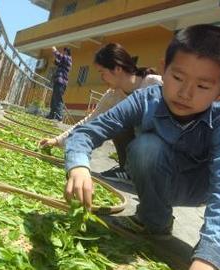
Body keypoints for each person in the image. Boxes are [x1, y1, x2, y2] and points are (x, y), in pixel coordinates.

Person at [63, 24, 220, 270]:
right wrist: (79, 165)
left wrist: (203, 268)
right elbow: (88, 132)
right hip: (161, 182)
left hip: (206, 186)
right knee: (145, 146)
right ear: (163, 70)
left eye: (203, 86)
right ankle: (154, 220)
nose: (185, 93)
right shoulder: (144, 99)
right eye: (177, 78)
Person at [40, 43, 162, 185]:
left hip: (163, 150)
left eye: (102, 73)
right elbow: (91, 121)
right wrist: (57, 141)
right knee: (116, 119)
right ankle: (130, 172)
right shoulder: (113, 96)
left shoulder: (155, 84)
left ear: (117, 68)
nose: (102, 79)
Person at [47, 46, 72, 121]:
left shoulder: (68, 58)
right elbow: (57, 62)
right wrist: (55, 58)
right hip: (58, 81)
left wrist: (55, 51)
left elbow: (60, 56)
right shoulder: (63, 61)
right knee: (54, 98)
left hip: (61, 82)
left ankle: (59, 116)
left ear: (66, 52)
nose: (63, 53)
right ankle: (51, 114)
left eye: (64, 51)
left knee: (58, 98)